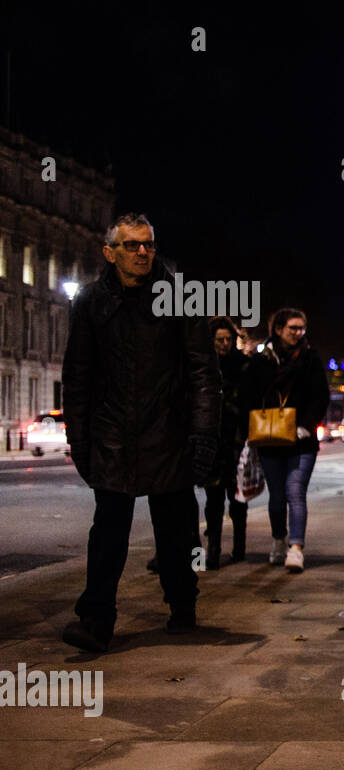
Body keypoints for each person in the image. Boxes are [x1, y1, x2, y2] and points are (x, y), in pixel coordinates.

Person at [60, 213, 220, 652]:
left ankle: (183, 604)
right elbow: (77, 377)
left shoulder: (181, 298)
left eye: (147, 244)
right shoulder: (91, 302)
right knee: (108, 533)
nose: (142, 252)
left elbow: (204, 373)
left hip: (168, 435)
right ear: (110, 252)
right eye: (131, 245)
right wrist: (79, 439)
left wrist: (203, 435)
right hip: (112, 435)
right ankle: (95, 621)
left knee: (177, 531)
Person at [241, 308, 329, 572]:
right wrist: (254, 422)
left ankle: (296, 548)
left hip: (302, 440)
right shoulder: (262, 361)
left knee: (295, 491)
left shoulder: (310, 358)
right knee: (277, 496)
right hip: (271, 439)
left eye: (301, 328)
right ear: (278, 329)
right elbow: (248, 395)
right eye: (292, 328)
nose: (298, 333)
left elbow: (320, 396)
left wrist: (306, 426)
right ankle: (279, 539)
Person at [203, 317, 251, 568]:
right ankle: (213, 549)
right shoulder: (205, 366)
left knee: (238, 498)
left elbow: (250, 401)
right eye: (219, 340)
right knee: (213, 498)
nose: (224, 344)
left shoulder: (244, 366)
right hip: (213, 439)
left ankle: (239, 547)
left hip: (237, 439)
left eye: (228, 339)